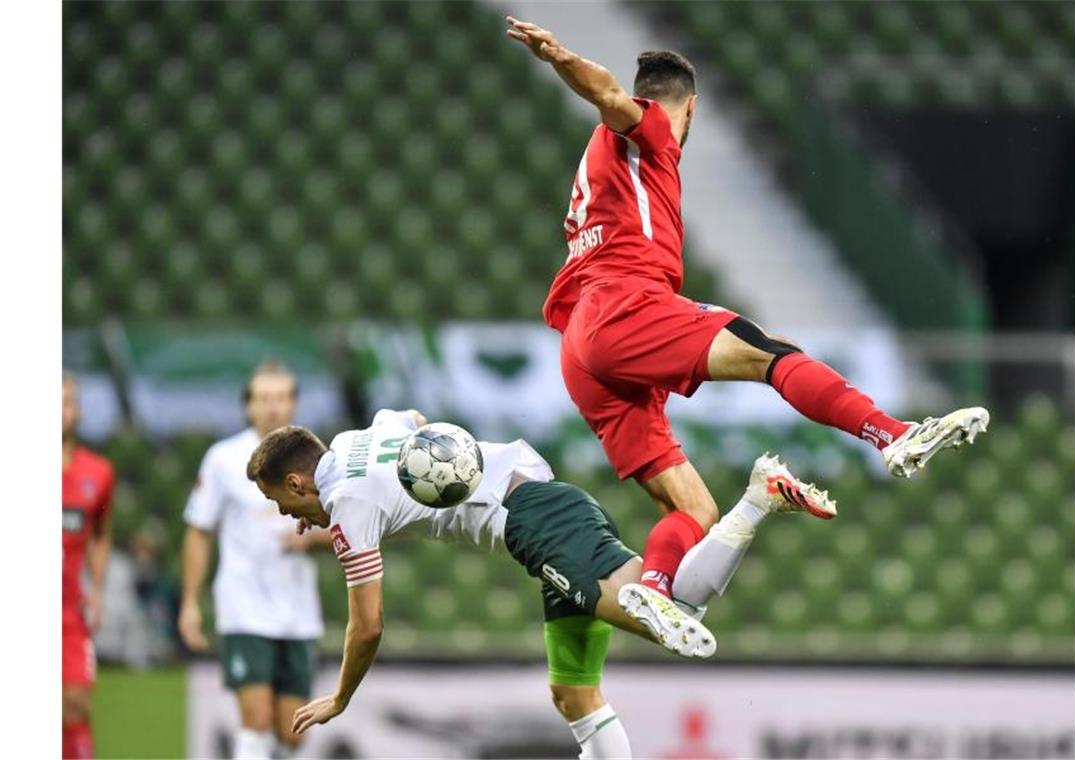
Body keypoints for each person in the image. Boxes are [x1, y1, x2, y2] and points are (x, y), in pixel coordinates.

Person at [504, 16, 990, 605]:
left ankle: (654, 590)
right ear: (693, 108)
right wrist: (559, 57)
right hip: (624, 305)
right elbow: (607, 93)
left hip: (582, 348)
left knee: (694, 508)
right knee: (772, 354)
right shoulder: (649, 129)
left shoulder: (600, 162)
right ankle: (891, 434)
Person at [244, 409, 835, 759]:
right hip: (538, 503)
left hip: (534, 522)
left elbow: (367, 626)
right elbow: (418, 424)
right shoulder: (355, 441)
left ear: (297, 482)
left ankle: (756, 500)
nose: (288, 517)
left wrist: (342, 697)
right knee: (573, 693)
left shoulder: (347, 508)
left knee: (678, 614)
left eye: (279, 502)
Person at [178, 359, 331, 760]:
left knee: (293, 732)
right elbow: (199, 529)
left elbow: (343, 529)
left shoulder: (318, 462)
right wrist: (190, 602)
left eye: (280, 398)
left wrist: (312, 539)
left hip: (297, 610)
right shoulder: (224, 459)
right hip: (244, 606)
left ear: (294, 404)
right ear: (248, 404)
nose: (272, 407)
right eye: (264, 398)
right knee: (257, 719)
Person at [62, 373, 115, 760]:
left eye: (65, 402)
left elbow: (100, 534)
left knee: (75, 703)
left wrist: (97, 591)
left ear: (77, 411)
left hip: (69, 611)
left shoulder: (97, 474)